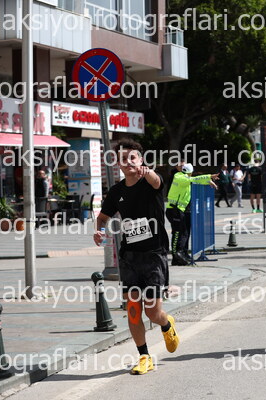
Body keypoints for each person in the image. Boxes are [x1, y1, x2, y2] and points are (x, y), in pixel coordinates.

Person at [93, 139, 179, 375]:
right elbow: (103, 217)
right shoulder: (117, 191)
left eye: (133, 157)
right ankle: (144, 356)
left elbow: (157, 181)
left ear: (141, 159)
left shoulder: (150, 182)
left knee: (153, 312)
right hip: (129, 258)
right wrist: (99, 230)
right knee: (133, 309)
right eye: (124, 159)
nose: (128, 162)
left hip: (154, 256)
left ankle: (166, 323)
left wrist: (147, 172)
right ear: (118, 164)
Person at [166, 163, 217, 266]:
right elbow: (193, 179)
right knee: (178, 233)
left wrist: (208, 181)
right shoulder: (179, 176)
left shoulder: (186, 179)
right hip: (174, 209)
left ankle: (179, 256)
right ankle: (177, 254)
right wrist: (209, 176)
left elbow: (195, 180)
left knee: (183, 232)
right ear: (190, 172)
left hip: (178, 209)